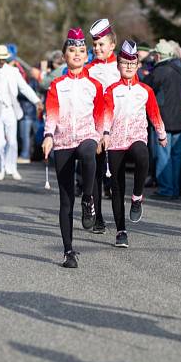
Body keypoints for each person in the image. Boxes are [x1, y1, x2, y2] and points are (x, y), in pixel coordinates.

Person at [42, 28, 104, 268]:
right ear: (64, 56)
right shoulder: (57, 85)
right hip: (63, 141)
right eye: (71, 50)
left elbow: (100, 114)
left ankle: (88, 198)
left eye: (81, 50)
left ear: (86, 55)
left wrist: (102, 135)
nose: (76, 54)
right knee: (65, 200)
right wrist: (48, 136)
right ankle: (68, 251)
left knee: (89, 152)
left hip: (87, 136)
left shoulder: (95, 85)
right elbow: (51, 113)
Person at [102, 40, 167, 248]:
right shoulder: (111, 90)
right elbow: (106, 114)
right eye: (124, 63)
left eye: (132, 63)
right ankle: (121, 231)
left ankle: (137, 196)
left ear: (138, 65)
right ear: (118, 65)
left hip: (136, 136)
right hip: (115, 141)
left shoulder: (145, 90)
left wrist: (161, 134)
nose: (128, 67)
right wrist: (104, 134)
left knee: (142, 155)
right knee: (117, 186)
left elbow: (154, 113)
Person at [0, 44, 41, 181]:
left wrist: (36, 101)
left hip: (10, 109)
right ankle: (0, 167)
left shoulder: (13, 71)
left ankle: (12, 167)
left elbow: (24, 88)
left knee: (12, 142)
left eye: (3, 58)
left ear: (6, 58)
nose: (0, 61)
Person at [83, 18, 121, 234]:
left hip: (118, 128)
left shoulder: (121, 67)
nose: (97, 48)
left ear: (112, 45)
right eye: (94, 44)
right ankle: (97, 217)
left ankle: (120, 220)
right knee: (96, 173)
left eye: (101, 44)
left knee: (115, 175)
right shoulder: (88, 69)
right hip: (95, 128)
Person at [145, 40, 181, 199]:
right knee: (176, 156)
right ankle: (175, 188)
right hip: (178, 119)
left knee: (163, 155)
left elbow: (147, 92)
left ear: (158, 56)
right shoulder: (180, 71)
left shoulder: (159, 72)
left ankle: (166, 189)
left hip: (163, 120)